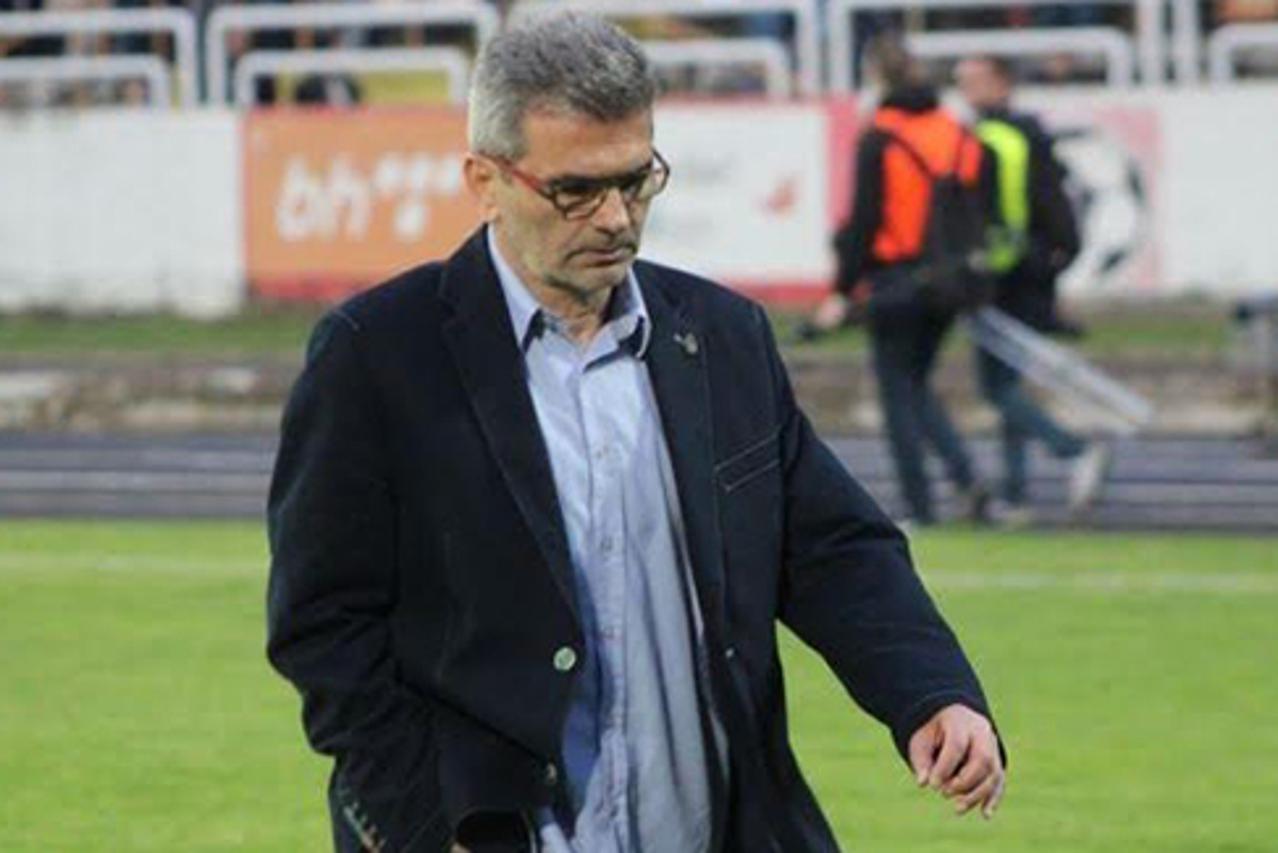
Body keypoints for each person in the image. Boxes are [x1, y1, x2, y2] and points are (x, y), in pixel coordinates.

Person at [267, 14, 1005, 853]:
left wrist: (932, 691)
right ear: (485, 181)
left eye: (636, 180)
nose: (616, 218)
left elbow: (832, 547)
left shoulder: (722, 337)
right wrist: (426, 826)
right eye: (576, 191)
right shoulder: (377, 354)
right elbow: (324, 625)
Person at [814, 35, 996, 527]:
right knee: (916, 384)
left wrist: (841, 290)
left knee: (897, 392)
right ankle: (966, 478)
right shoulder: (957, 132)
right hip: (954, 281)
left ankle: (920, 505)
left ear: (876, 76)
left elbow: (864, 222)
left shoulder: (880, 137)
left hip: (898, 277)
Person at [955, 55, 1110, 521]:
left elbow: (999, 214)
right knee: (1007, 384)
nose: (966, 90)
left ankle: (1073, 449)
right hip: (1027, 273)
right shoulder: (1027, 134)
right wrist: (1056, 262)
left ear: (1002, 83)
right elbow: (1057, 206)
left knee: (998, 387)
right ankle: (1016, 493)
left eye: (975, 81)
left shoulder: (994, 140)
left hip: (1002, 278)